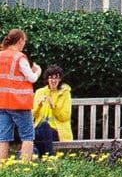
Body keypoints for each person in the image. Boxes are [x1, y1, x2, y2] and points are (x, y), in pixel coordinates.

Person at [0, 29, 41, 163]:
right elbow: (32, 78)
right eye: (25, 41)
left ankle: (2, 168)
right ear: (20, 41)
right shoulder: (20, 57)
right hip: (19, 104)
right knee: (27, 136)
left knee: (3, 138)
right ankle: (25, 168)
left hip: (3, 102)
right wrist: (38, 71)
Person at [32, 66, 72, 156]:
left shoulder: (65, 94)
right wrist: (39, 105)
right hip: (39, 129)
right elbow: (32, 115)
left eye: (56, 78)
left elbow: (65, 117)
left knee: (45, 127)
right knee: (40, 129)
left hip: (57, 131)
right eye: (51, 78)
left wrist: (53, 106)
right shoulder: (40, 92)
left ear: (60, 79)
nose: (53, 81)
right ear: (47, 79)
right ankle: (49, 158)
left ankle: (45, 156)